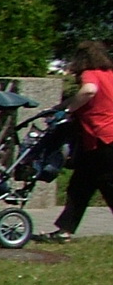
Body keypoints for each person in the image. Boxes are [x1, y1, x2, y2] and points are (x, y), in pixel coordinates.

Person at [40, 40, 113, 241]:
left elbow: (89, 91)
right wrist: (59, 108)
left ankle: (65, 231)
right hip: (99, 140)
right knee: (79, 187)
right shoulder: (109, 75)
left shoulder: (89, 74)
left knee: (107, 184)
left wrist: (69, 111)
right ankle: (65, 230)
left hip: (102, 139)